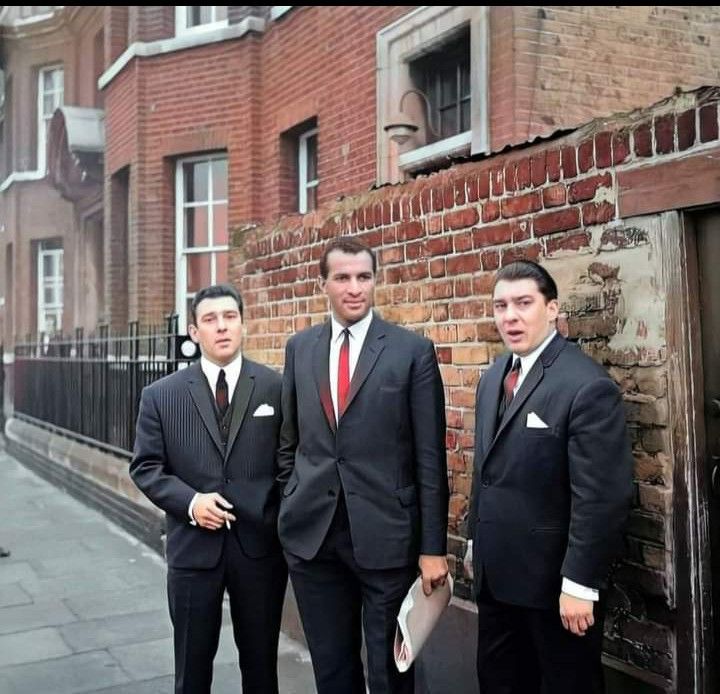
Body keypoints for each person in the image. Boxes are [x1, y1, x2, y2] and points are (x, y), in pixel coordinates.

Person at [277, 237, 449, 693]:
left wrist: (433, 547)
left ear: (375, 280)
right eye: (343, 278)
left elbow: (430, 457)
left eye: (364, 277)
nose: (355, 288)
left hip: (386, 537)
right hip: (314, 538)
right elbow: (289, 442)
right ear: (324, 284)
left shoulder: (411, 351)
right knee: (331, 670)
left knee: (389, 672)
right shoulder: (300, 348)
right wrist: (288, 505)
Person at [465, 260, 633, 694]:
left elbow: (602, 497)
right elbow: (485, 470)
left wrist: (580, 583)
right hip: (497, 579)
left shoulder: (585, 385)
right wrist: (473, 543)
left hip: (554, 588)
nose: (510, 316)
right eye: (501, 305)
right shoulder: (493, 377)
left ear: (553, 308)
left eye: (524, 303)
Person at [130, 284, 287, 694]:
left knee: (261, 670)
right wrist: (191, 502)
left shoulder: (275, 388)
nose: (222, 327)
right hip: (192, 551)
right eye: (210, 319)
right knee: (192, 672)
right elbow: (146, 467)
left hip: (259, 551)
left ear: (243, 324)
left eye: (230, 317)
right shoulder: (160, 396)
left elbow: (290, 464)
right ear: (194, 332)